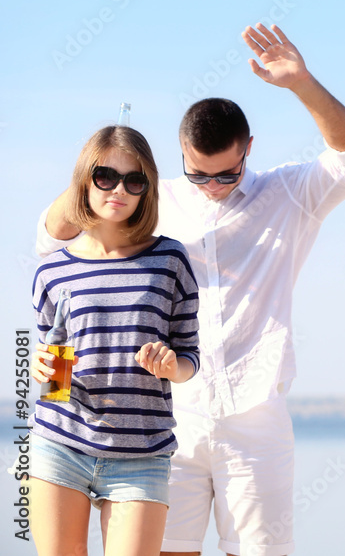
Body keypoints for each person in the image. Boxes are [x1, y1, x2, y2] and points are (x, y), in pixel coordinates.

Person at [36, 24, 345, 556]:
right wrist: (98, 170)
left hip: (256, 420)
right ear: (181, 154)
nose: (213, 187)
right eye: (199, 175)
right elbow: (52, 235)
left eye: (226, 174)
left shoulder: (289, 194)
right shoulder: (150, 199)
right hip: (167, 420)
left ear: (248, 150)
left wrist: (301, 83)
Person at [29, 126, 200, 556]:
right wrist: (40, 367)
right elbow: (50, 361)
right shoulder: (52, 272)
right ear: (85, 181)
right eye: (105, 176)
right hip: (60, 443)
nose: (118, 189)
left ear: (147, 190)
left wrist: (171, 365)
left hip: (142, 454)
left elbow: (189, 357)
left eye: (134, 180)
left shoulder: (170, 260)